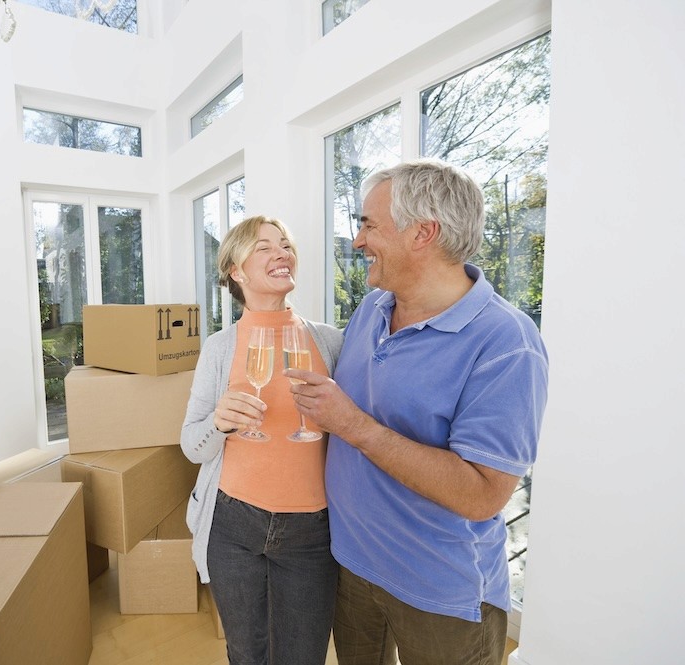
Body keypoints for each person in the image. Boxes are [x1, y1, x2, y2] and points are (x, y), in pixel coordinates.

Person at [286, 159, 549, 665]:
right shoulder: (373, 308)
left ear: (422, 233)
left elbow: (481, 495)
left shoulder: (506, 343)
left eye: (369, 225)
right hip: (352, 565)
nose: (358, 241)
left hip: (441, 592)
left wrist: (353, 426)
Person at [181, 215, 344, 665]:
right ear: (236, 270)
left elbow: (351, 429)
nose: (282, 253)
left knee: (303, 655)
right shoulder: (219, 348)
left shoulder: (330, 342)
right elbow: (191, 445)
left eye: (285, 244)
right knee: (246, 653)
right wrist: (219, 423)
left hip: (312, 529)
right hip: (232, 523)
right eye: (264, 247)